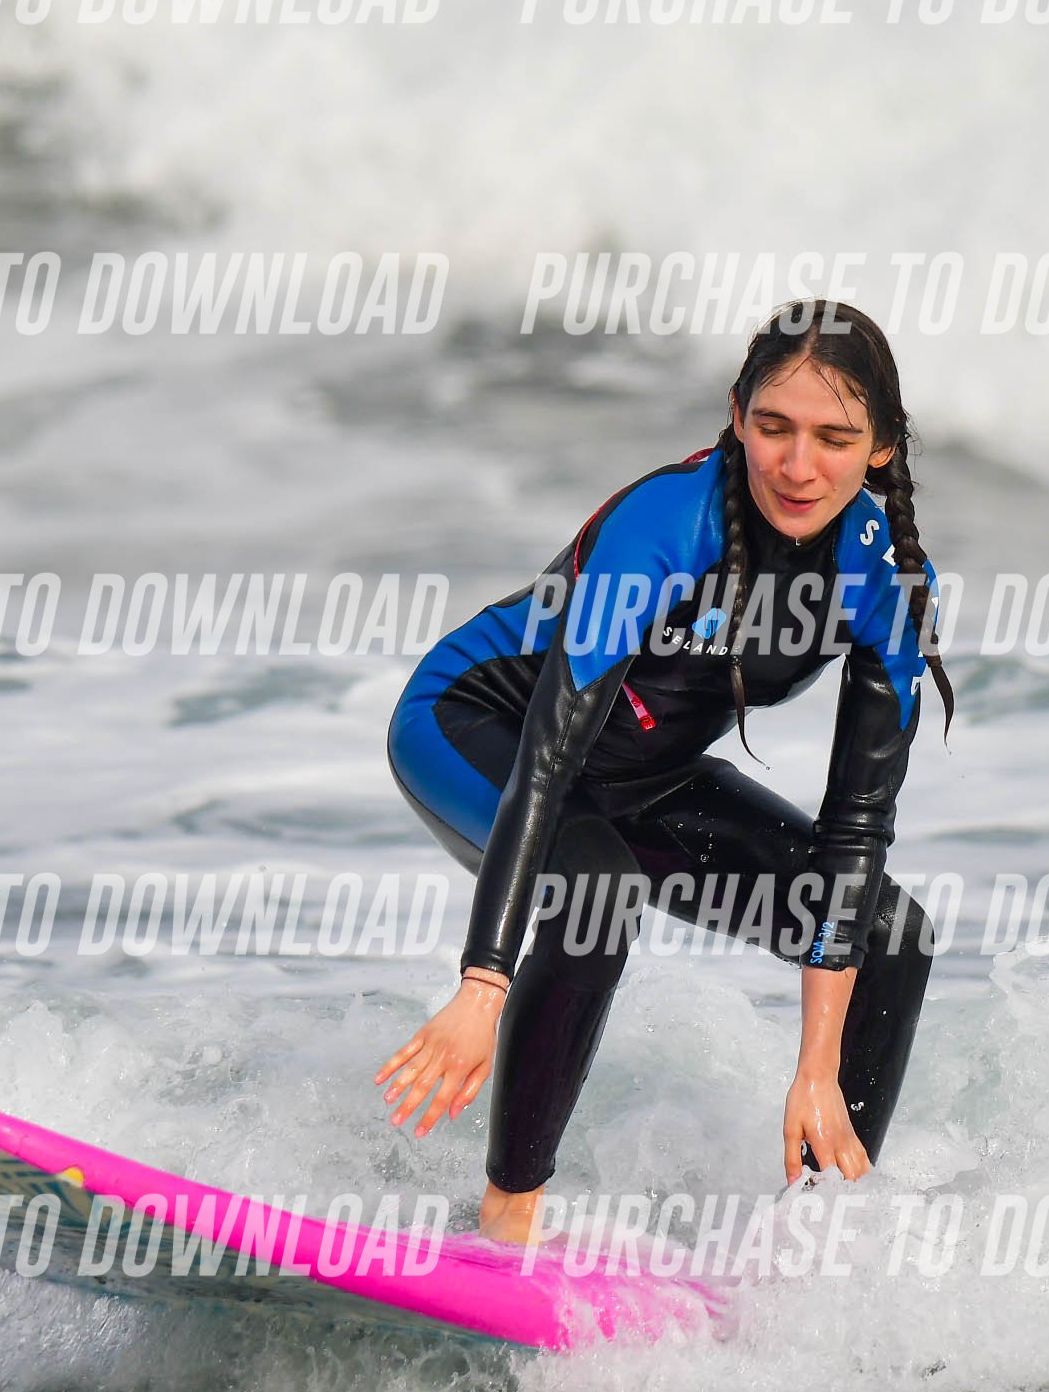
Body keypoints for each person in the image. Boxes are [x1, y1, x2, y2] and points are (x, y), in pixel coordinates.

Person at [378, 301, 948, 1244]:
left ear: (881, 447)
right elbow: (548, 758)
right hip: (478, 727)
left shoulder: (882, 580)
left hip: (646, 776)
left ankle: (817, 1235)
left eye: (834, 438)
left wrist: (814, 1065)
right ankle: (508, 1216)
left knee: (889, 933)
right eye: (773, 427)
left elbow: (856, 824)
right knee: (594, 888)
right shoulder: (666, 522)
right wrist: (483, 984)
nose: (797, 465)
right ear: (736, 416)